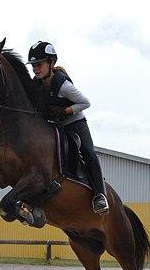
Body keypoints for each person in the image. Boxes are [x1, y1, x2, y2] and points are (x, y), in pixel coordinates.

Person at [27, 41, 109, 214]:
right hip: (54, 125)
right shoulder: (35, 85)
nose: (35, 69)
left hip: (74, 122)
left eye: (39, 64)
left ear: (51, 63)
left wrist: (67, 110)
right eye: (33, 65)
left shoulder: (63, 84)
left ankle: (100, 195)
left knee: (89, 153)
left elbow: (86, 102)